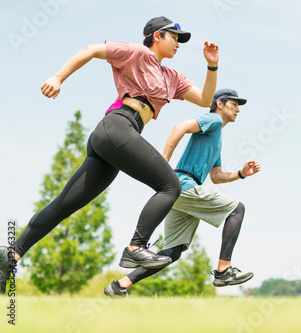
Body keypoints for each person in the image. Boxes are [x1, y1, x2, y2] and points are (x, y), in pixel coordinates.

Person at [0, 16, 221, 294]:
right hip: (117, 126)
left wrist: (211, 64)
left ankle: (11, 255)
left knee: (63, 206)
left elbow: (204, 100)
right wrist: (58, 77)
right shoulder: (137, 53)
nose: (178, 43)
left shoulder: (172, 77)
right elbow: (90, 50)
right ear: (156, 36)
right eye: (174, 37)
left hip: (117, 138)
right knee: (170, 186)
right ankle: (136, 247)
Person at [103, 88, 260, 297]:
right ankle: (224, 269)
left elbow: (216, 176)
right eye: (234, 104)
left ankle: (120, 286)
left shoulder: (217, 136)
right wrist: (163, 163)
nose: (238, 110)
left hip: (181, 191)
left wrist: (241, 173)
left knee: (173, 252)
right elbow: (179, 127)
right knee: (236, 209)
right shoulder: (213, 119)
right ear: (219, 104)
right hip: (185, 186)